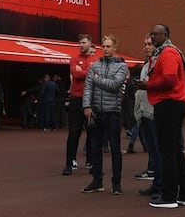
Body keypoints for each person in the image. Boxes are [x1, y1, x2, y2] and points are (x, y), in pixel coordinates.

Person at [136, 23, 185, 209]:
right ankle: (184, 194)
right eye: (152, 34)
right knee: (175, 151)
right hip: (173, 104)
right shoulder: (166, 53)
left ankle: (169, 196)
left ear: (166, 35)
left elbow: (169, 80)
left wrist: (148, 85)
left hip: (169, 104)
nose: (153, 37)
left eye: (156, 34)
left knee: (167, 152)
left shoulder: (167, 53)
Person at [81, 34, 129, 195]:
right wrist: (87, 106)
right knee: (94, 148)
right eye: (104, 46)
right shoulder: (95, 65)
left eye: (108, 46)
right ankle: (97, 181)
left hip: (112, 113)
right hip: (96, 112)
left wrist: (98, 80)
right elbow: (87, 87)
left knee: (115, 149)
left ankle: (116, 183)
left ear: (115, 47)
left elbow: (115, 85)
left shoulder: (122, 66)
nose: (105, 49)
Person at [62, 33, 96, 175]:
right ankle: (69, 164)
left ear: (89, 44)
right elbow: (75, 74)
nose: (81, 45)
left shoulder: (95, 60)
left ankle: (92, 162)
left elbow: (96, 76)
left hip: (91, 100)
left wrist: (83, 72)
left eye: (84, 42)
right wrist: (88, 73)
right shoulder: (74, 59)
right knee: (74, 133)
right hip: (76, 99)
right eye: (80, 42)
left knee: (92, 133)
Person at [134, 34, 162, 196]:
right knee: (152, 151)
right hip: (144, 112)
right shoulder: (146, 64)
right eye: (144, 44)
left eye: (149, 44)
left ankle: (161, 185)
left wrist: (147, 85)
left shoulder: (158, 63)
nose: (145, 47)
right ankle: (156, 184)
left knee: (158, 151)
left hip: (154, 112)